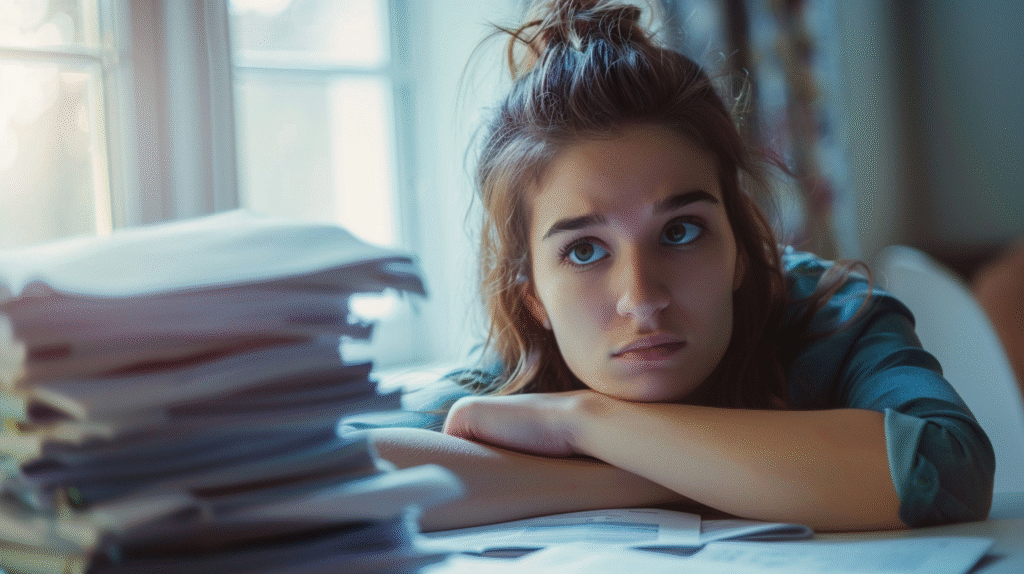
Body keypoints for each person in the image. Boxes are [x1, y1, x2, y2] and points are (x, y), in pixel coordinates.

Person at [343, 0, 994, 532]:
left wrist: (581, 422)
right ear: (534, 297)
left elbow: (948, 468)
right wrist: (674, 476)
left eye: (680, 232)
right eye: (584, 251)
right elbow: (340, 467)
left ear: (740, 247)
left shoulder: (833, 318)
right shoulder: (528, 360)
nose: (641, 297)